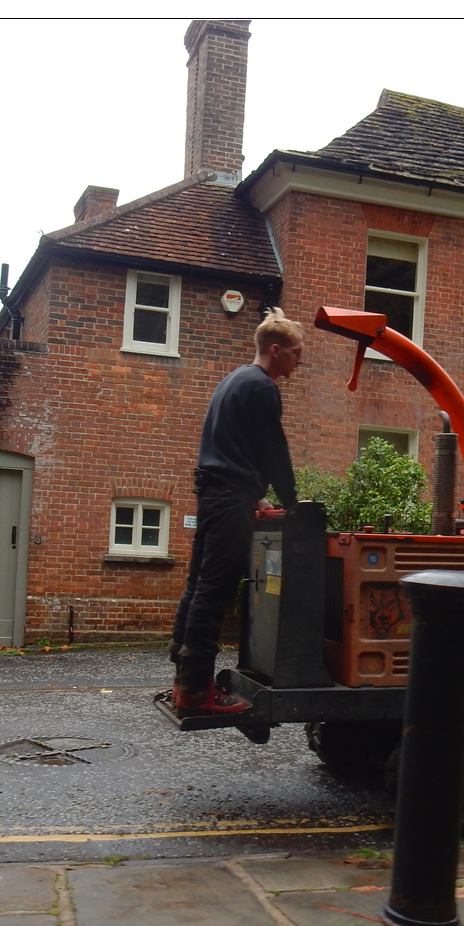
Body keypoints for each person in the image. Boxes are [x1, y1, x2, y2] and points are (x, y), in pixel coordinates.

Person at [169, 307, 303, 716]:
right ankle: (194, 693)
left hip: (216, 494)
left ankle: (182, 673)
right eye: (297, 352)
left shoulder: (233, 379)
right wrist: (293, 502)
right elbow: (273, 451)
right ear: (275, 350)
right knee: (216, 589)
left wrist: (254, 496)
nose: (300, 360)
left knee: (199, 582)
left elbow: (230, 449)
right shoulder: (262, 387)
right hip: (227, 498)